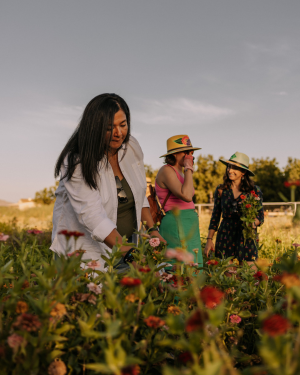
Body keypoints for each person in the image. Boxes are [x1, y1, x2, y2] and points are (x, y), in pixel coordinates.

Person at [50, 93, 164, 271]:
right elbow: (93, 215)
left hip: (127, 250)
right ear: (94, 128)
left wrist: (152, 230)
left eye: (123, 125)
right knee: (87, 296)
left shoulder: (131, 147)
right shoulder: (77, 160)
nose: (119, 133)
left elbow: (139, 192)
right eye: (109, 128)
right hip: (87, 255)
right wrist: (129, 255)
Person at [204, 152, 264, 264]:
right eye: (229, 166)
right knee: (228, 275)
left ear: (243, 172)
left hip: (246, 234)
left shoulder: (254, 190)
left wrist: (252, 223)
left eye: (235, 168)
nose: (230, 170)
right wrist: (209, 239)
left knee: (249, 274)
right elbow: (215, 216)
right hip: (226, 234)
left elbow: (260, 216)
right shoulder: (221, 189)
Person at [155, 134, 203, 267]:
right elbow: (187, 196)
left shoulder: (183, 173)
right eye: (186, 152)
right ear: (175, 154)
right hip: (176, 222)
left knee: (193, 264)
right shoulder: (166, 171)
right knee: (179, 268)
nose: (190, 155)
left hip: (189, 222)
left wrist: (187, 170)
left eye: (191, 152)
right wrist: (189, 168)